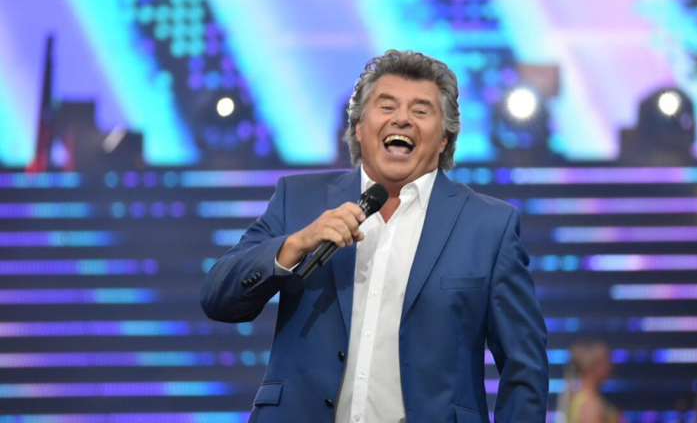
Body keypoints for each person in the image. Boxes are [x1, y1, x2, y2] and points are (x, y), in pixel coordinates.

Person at [200, 50, 548, 422]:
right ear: (358, 127)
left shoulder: (488, 226)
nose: (402, 118)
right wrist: (295, 245)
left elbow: (524, 366)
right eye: (387, 106)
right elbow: (218, 299)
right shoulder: (298, 199)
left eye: (421, 110)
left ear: (444, 138)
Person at [557, 339, 624, 423]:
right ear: (593, 366)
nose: (610, 366)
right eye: (605, 360)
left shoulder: (584, 398)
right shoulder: (590, 405)